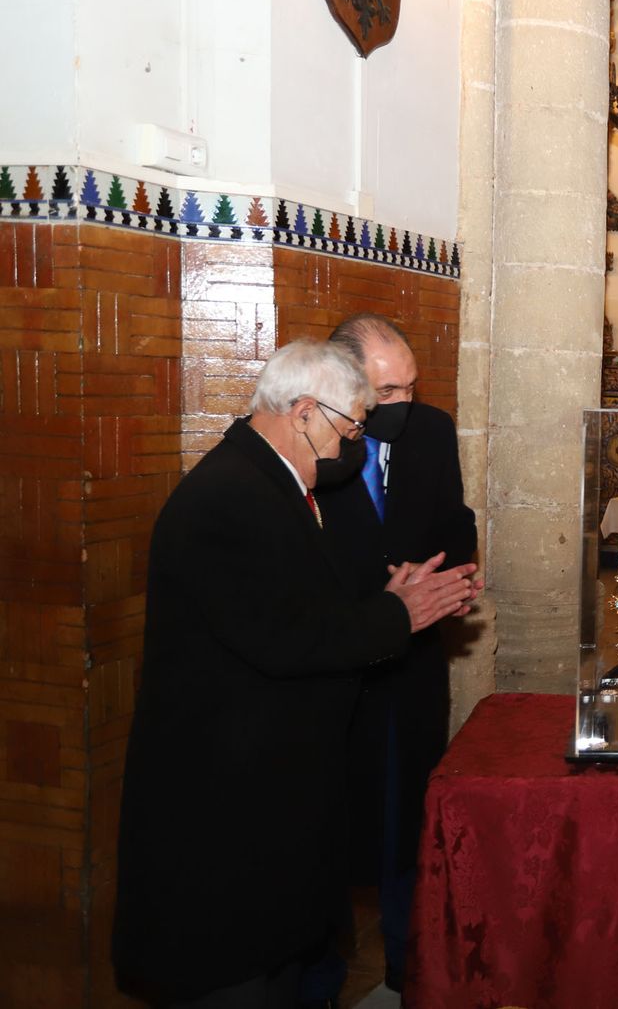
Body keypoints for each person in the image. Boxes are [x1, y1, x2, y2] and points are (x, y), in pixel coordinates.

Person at [114, 340, 480, 1008]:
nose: (356, 446)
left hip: (271, 818)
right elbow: (285, 638)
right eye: (351, 428)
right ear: (304, 411)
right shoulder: (227, 500)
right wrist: (397, 617)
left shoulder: (275, 485)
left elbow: (303, 605)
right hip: (222, 827)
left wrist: (383, 598)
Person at [306, 313, 478, 1001]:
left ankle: (411, 963)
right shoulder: (316, 439)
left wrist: (456, 572)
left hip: (414, 664)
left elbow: (453, 517)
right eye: (388, 392)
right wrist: (381, 593)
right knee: (329, 819)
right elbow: (305, 555)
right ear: (349, 386)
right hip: (339, 666)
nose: (402, 405)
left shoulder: (431, 430)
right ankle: (321, 969)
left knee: (410, 812)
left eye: (411, 387)